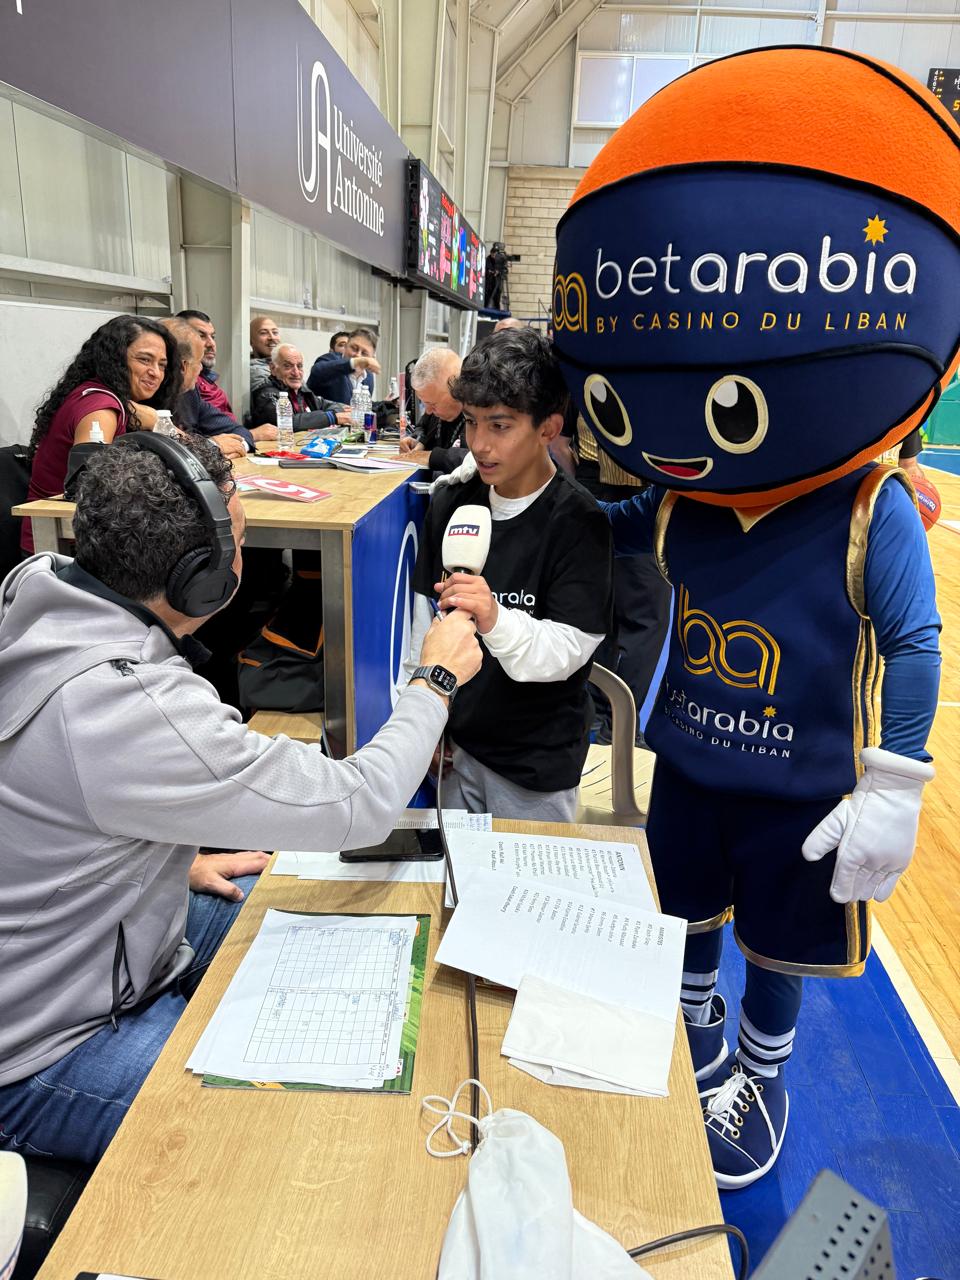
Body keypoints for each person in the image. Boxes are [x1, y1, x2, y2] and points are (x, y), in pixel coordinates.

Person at [551, 45, 950, 1189]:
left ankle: (762, 1077)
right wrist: (543, 468)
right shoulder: (682, 497)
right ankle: (697, 1029)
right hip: (692, 757)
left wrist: (898, 779)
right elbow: (618, 525)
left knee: (782, 941)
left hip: (805, 778)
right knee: (684, 914)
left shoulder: (873, 508)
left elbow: (915, 642)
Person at [0, 431, 481, 1165]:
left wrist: (156, 849)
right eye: (241, 540)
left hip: (98, 934)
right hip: (41, 1050)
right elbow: (359, 804)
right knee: (291, 1134)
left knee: (315, 925)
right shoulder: (129, 708)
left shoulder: (36, 591)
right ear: (198, 579)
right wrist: (435, 681)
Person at [407, 327, 613, 822]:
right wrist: (424, 718)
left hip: (535, 765)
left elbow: (569, 650)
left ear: (548, 428)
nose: (479, 444)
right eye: (471, 422)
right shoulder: (452, 500)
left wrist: (495, 618)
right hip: (456, 750)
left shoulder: (579, 522)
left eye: (500, 426)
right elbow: (421, 624)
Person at [22, 314, 182, 553]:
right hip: (62, 547)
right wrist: (158, 423)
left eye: (162, 365)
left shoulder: (103, 397)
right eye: (144, 360)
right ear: (114, 359)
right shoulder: (101, 408)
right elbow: (91, 488)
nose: (155, 373)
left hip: (81, 536)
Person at [250, 345, 351, 434]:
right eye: (288, 366)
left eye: (299, 366)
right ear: (273, 369)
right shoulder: (266, 394)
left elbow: (326, 405)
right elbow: (289, 423)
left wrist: (337, 413)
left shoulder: (301, 391)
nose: (296, 372)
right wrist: (332, 417)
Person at [398, 347, 468, 473]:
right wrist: (418, 442)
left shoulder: (478, 415)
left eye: (433, 404)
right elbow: (422, 427)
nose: (428, 411)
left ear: (458, 392)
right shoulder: (434, 407)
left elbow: (476, 460)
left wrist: (432, 457)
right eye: (424, 403)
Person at [177, 309, 235, 418]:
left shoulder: (207, 380)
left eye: (212, 337)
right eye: (201, 336)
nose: (211, 344)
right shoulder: (185, 384)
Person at [307, 326, 379, 404]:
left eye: (364, 353)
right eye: (354, 348)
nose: (358, 355)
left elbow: (364, 406)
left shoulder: (368, 376)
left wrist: (386, 404)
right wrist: (354, 363)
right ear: (346, 346)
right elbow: (317, 371)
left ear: (372, 358)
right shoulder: (331, 359)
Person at [249, 315, 281, 394]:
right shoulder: (254, 371)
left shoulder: (284, 363)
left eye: (275, 332)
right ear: (250, 340)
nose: (272, 337)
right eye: (263, 333)